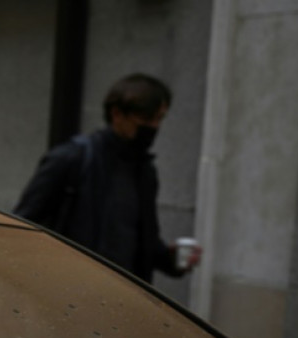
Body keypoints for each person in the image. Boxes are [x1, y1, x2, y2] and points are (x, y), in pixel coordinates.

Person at [14, 73, 200, 283]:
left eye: (159, 119)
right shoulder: (71, 159)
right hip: (68, 291)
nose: (154, 127)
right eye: (147, 119)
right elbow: (21, 225)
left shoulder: (145, 171)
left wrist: (171, 259)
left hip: (125, 297)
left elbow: (141, 242)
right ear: (117, 114)